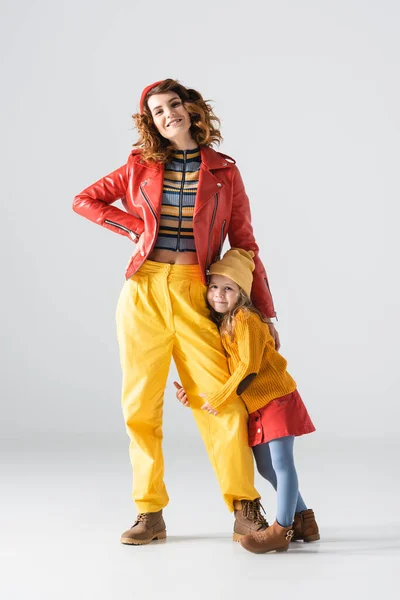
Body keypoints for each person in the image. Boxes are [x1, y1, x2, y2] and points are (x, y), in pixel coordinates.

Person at [72, 79, 278, 545]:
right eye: (157, 111)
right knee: (140, 407)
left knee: (219, 399)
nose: (168, 115)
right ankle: (149, 512)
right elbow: (85, 200)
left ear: (190, 108)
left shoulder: (224, 171)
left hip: (193, 291)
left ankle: (245, 506)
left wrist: (262, 313)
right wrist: (136, 230)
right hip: (142, 292)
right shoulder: (138, 166)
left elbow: (245, 245)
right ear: (151, 122)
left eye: (173, 105)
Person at [175, 248, 319, 553]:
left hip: (276, 398)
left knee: (281, 463)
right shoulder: (223, 324)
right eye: (214, 286)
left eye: (228, 288)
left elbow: (249, 367)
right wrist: (197, 393)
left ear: (241, 292)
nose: (218, 294)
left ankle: (281, 529)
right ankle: (304, 520)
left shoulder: (245, 318)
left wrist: (219, 396)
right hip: (257, 405)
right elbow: (223, 372)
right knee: (267, 467)